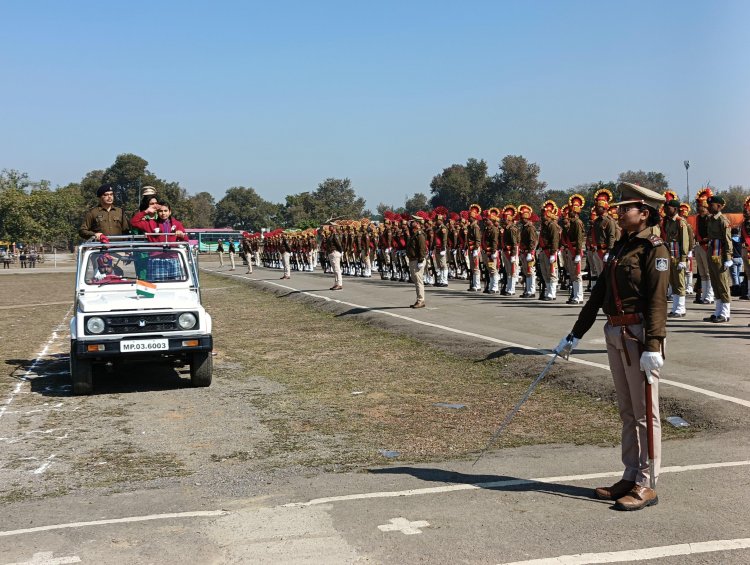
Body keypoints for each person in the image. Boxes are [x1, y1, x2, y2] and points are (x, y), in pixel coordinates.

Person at [554, 182, 668, 511]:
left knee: (647, 414)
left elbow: (659, 300)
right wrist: (575, 333)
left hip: (638, 335)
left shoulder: (653, 249)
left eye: (625, 208)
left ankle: (648, 483)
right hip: (615, 332)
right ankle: (631, 473)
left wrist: (654, 344)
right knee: (628, 411)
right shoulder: (620, 247)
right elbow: (599, 294)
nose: (619, 212)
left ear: (643, 213)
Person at [702, 195, 733, 323]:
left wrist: (728, 257)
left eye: (711, 205)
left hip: (720, 254)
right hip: (712, 252)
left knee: (722, 283)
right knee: (715, 283)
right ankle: (718, 311)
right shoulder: (710, 219)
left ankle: (725, 313)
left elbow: (727, 240)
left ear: (719, 206)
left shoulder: (722, 220)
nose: (708, 207)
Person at [661, 192, 690, 318]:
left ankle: (681, 308)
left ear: (676, 209)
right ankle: (675, 308)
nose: (666, 210)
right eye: (665, 208)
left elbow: (684, 241)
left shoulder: (680, 222)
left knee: (679, 282)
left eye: (669, 208)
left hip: (678, 255)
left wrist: (683, 259)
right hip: (670, 254)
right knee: (672, 281)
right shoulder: (668, 221)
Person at [406, 217, 427, 308]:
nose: (411, 222)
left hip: (417, 260)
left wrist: (421, 260)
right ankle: (419, 299)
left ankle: (421, 300)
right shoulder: (414, 234)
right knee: (416, 280)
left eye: (414, 221)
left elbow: (422, 248)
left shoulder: (420, 235)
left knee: (418, 281)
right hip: (412, 259)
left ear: (418, 223)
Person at [326, 223, 344, 290]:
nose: (329, 227)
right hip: (331, 252)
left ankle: (339, 284)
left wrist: (341, 251)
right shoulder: (331, 235)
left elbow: (339, 244)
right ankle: (336, 283)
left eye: (331, 226)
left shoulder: (335, 235)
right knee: (335, 270)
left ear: (334, 228)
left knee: (337, 269)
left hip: (335, 252)